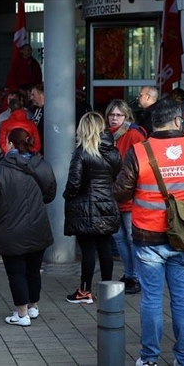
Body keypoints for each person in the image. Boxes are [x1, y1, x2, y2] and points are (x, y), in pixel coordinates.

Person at [113, 99, 184, 366]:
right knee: (182, 297)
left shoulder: (139, 152)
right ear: (178, 121)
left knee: (152, 299)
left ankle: (150, 358)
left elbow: (120, 192)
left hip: (149, 237)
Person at [0, 128, 56, 326]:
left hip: (10, 230)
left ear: (11, 145)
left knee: (16, 272)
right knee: (33, 270)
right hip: (38, 226)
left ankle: (21, 314)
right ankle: (33, 307)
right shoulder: (42, 165)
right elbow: (50, 194)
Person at [64, 112, 121, 305]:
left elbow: (74, 182)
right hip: (107, 204)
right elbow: (117, 176)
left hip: (85, 207)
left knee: (88, 250)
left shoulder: (82, 152)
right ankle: (107, 290)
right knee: (105, 248)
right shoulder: (113, 152)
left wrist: (68, 196)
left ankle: (84, 291)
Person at [105, 99, 146, 295]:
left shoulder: (134, 135)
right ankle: (129, 274)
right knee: (119, 238)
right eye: (111, 115)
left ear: (127, 116)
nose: (114, 118)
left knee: (131, 238)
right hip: (112, 194)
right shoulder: (105, 135)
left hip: (129, 196)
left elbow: (141, 164)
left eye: (118, 115)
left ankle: (137, 277)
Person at [29, 84, 45, 154]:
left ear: (41, 94)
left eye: (33, 95)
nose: (31, 98)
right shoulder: (37, 110)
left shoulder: (50, 112)